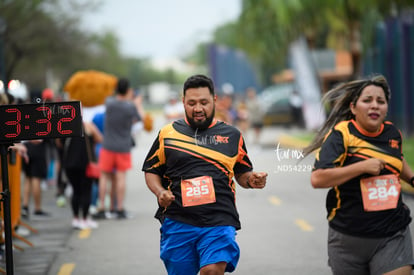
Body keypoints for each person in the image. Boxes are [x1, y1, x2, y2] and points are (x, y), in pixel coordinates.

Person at [142, 74, 268, 275]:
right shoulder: (168, 134)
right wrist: (159, 192)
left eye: (204, 102)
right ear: (183, 102)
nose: (198, 108)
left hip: (219, 219)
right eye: (191, 103)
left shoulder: (232, 135)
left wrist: (251, 180)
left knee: (212, 270)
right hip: (178, 220)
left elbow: (243, 172)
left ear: (214, 101)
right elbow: (151, 170)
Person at [303, 74, 414, 275]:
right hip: (348, 237)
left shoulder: (392, 134)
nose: (374, 106)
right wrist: (361, 167)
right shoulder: (342, 134)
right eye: (367, 100)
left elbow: (397, 158)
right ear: (353, 107)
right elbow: (318, 178)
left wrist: (412, 179)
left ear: (386, 108)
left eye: (381, 101)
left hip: (392, 233)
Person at [94, 77, 142, 219]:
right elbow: (139, 119)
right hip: (123, 146)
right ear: (128, 90)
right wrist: (136, 102)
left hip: (107, 145)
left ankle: (102, 207)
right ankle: (119, 208)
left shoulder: (109, 103)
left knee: (104, 177)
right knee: (121, 178)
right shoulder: (130, 107)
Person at [63, 121, 103, 229]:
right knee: (86, 191)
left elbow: (59, 142)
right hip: (86, 164)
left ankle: (76, 218)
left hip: (70, 163)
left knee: (76, 191)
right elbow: (99, 138)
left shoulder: (65, 125)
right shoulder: (88, 126)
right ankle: (84, 219)